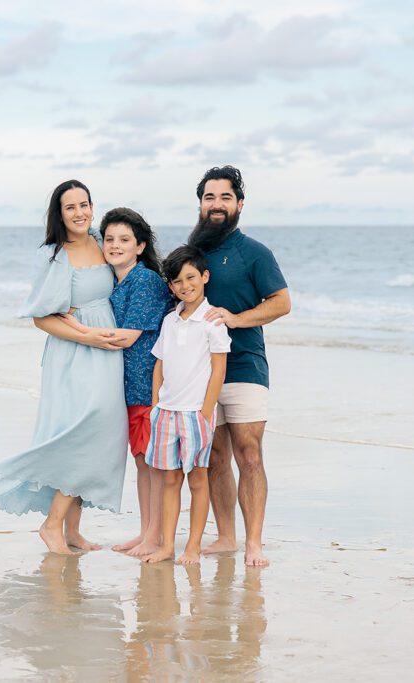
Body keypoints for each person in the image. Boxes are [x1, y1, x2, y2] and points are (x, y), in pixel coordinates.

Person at [0, 180, 128, 556]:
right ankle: (51, 525)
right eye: (71, 207)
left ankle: (73, 531)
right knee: (81, 431)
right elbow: (41, 318)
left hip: (106, 348)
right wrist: (88, 336)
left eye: (85, 204)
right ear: (60, 214)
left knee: (98, 432)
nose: (80, 213)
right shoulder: (55, 255)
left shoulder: (102, 241)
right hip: (74, 353)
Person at [188, 165, 291, 567]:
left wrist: (236, 318)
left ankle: (254, 543)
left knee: (249, 454)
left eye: (225, 197)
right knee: (215, 456)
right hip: (199, 371)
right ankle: (226, 537)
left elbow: (281, 303)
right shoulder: (192, 254)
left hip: (246, 365)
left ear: (240, 204)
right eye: (209, 197)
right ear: (201, 204)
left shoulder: (255, 253)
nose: (217, 204)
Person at [58, 208, 171, 557]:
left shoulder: (145, 280)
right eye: (109, 239)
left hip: (149, 387)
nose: (115, 245)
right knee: (142, 462)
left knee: (152, 464)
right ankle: (146, 532)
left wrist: (78, 328)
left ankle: (154, 536)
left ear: (140, 246)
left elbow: (127, 337)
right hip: (125, 388)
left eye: (124, 239)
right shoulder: (114, 281)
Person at [142, 246, 230, 565]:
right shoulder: (170, 321)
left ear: (205, 276)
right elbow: (160, 363)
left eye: (191, 277)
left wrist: (206, 412)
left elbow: (219, 370)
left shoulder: (213, 321)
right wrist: (156, 405)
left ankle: (192, 547)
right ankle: (167, 546)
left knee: (197, 479)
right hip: (166, 413)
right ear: (171, 286)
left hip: (195, 414)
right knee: (169, 480)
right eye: (177, 281)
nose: (185, 286)